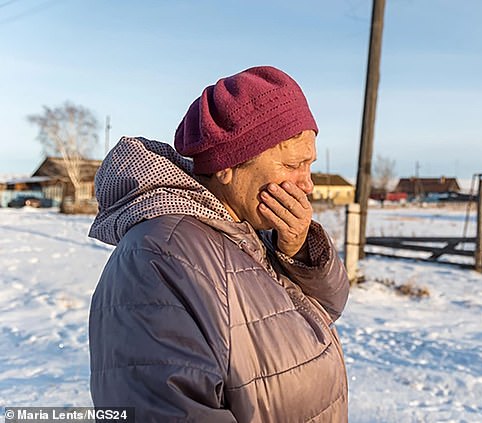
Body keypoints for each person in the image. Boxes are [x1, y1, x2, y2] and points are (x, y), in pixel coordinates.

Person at [88, 66, 349, 422]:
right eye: (292, 164)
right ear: (228, 165)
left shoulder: (248, 232)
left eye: (310, 165)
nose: (308, 185)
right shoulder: (157, 258)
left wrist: (298, 249)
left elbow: (322, 313)